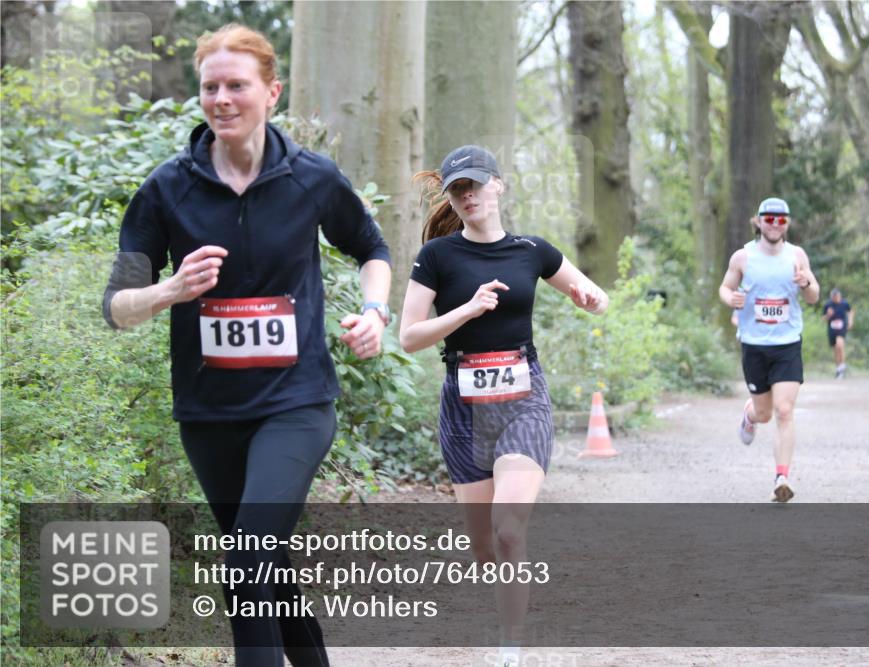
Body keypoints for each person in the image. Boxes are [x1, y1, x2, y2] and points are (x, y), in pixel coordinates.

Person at [102, 24, 392, 666]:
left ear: (271, 92)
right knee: (264, 560)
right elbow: (117, 308)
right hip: (209, 415)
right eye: (211, 87)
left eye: (237, 85)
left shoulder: (312, 179)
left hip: (297, 402)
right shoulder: (166, 188)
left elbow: (372, 249)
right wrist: (169, 289)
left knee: (247, 556)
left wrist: (375, 310)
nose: (222, 99)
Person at [399, 145, 608, 667]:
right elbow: (408, 337)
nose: (467, 195)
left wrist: (591, 298)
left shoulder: (531, 250)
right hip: (463, 405)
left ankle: (509, 648)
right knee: (485, 549)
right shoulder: (438, 257)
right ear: (451, 197)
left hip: (523, 398)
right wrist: (466, 311)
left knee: (510, 529)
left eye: (474, 184)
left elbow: (592, 291)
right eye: (457, 189)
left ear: (498, 185)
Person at [718, 197, 819, 502]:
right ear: (758, 221)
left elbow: (814, 296)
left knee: (784, 410)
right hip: (754, 344)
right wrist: (730, 299)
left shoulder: (796, 255)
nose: (775, 224)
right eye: (769, 219)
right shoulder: (743, 257)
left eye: (781, 220)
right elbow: (724, 287)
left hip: (787, 344)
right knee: (764, 413)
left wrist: (805, 283)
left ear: (787, 223)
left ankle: (782, 478)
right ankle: (749, 416)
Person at [822, 288, 854, 378]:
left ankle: (842, 365)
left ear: (840, 296)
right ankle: (839, 369)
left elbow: (850, 311)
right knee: (835, 349)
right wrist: (828, 315)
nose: (837, 299)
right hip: (832, 328)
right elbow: (823, 318)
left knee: (840, 345)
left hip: (842, 327)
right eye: (835, 297)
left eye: (838, 297)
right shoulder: (828, 305)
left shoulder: (844, 303)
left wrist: (850, 321)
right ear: (832, 297)